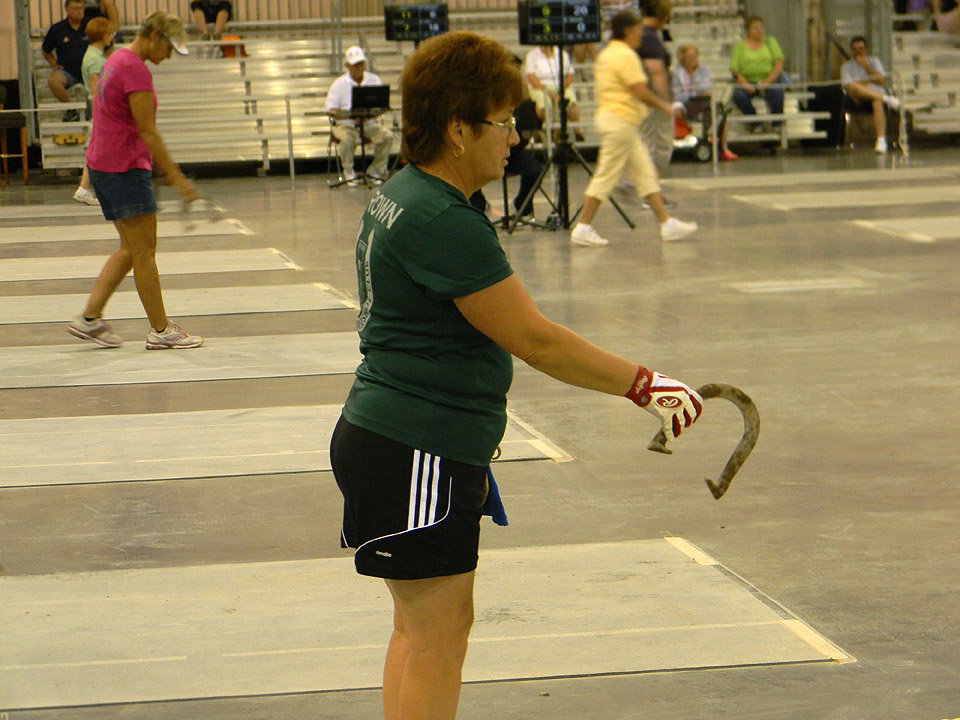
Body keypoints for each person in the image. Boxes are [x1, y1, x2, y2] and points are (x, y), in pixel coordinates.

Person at [329, 30, 703, 720]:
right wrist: (644, 383)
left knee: (423, 633)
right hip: (417, 447)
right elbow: (536, 341)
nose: (515, 137)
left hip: (400, 439)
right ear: (459, 130)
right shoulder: (443, 218)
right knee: (435, 641)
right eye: (503, 123)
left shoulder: (408, 193)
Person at [66, 12, 203, 351]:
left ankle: (89, 318)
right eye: (168, 48)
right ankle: (161, 330)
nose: (168, 56)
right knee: (144, 251)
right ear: (155, 37)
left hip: (103, 165)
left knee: (130, 248)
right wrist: (177, 176)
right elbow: (147, 130)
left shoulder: (117, 59)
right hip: (123, 169)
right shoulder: (134, 69)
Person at [570, 11, 697, 247]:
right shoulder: (625, 55)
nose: (641, 35)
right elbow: (639, 90)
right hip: (620, 121)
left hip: (618, 121)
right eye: (638, 30)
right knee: (605, 176)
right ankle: (583, 227)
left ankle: (666, 223)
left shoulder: (606, 53)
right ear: (628, 31)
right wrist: (665, 107)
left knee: (645, 173)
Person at [324, 45, 394, 186]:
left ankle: (376, 170)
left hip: (369, 124)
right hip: (346, 125)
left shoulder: (374, 80)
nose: (358, 68)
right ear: (348, 66)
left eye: (361, 64)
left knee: (387, 135)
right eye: (355, 65)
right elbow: (330, 110)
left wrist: (371, 115)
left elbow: (381, 105)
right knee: (348, 139)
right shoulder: (338, 84)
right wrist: (349, 115)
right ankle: (349, 170)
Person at [468, 96, 544, 220]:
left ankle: (522, 205)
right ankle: (477, 207)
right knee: (468, 166)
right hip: (484, 152)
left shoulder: (521, 107)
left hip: (512, 155)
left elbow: (522, 139)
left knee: (534, 169)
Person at [73, 17, 114, 205]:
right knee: (96, 149)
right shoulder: (94, 59)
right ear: (102, 35)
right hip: (99, 108)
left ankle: (85, 188)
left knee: (97, 149)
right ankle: (84, 188)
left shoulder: (95, 55)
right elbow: (98, 89)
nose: (111, 36)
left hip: (98, 107)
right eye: (109, 33)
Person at [671, 43, 737, 161]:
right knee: (682, 107)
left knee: (718, 109)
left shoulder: (703, 70)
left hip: (701, 102)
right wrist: (694, 94)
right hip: (685, 103)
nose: (694, 59)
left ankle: (720, 145)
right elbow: (677, 94)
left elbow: (705, 88)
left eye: (695, 56)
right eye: (690, 57)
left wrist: (693, 74)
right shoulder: (675, 73)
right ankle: (711, 141)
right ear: (683, 58)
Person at [840, 36, 901, 154]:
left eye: (861, 49)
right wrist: (870, 80)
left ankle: (881, 140)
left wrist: (866, 67)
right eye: (855, 49)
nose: (858, 52)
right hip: (857, 98)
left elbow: (881, 81)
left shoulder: (874, 61)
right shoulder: (846, 66)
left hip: (874, 97)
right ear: (851, 51)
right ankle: (887, 99)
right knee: (853, 87)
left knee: (877, 102)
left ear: (866, 50)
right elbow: (849, 86)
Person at [637, 0, 675, 177]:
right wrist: (665, 103)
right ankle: (649, 192)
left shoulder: (639, 34)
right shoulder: (649, 38)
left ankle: (651, 192)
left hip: (643, 100)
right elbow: (656, 73)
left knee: (647, 146)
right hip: (652, 102)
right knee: (656, 147)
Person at [729, 15, 788, 124]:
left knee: (777, 93)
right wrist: (745, 84)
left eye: (761, 27)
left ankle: (777, 124)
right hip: (748, 81)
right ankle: (755, 122)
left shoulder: (770, 42)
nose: (759, 30)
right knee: (738, 96)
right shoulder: (739, 47)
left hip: (769, 80)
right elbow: (734, 70)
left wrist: (767, 82)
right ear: (748, 30)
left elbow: (779, 64)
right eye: (755, 27)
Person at [42, 0, 89, 117]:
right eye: (76, 9)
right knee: (53, 79)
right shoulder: (57, 29)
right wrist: (54, 64)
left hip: (89, 71)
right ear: (67, 10)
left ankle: (94, 112)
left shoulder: (91, 25)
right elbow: (46, 50)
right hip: (68, 72)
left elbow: (108, 44)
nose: (79, 11)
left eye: (81, 8)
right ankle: (71, 109)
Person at [524, 45, 581, 124]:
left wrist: (562, 89)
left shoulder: (562, 53)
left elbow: (570, 74)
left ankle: (577, 131)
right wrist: (548, 92)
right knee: (544, 103)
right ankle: (548, 129)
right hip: (540, 87)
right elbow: (531, 76)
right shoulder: (532, 55)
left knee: (571, 103)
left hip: (562, 86)